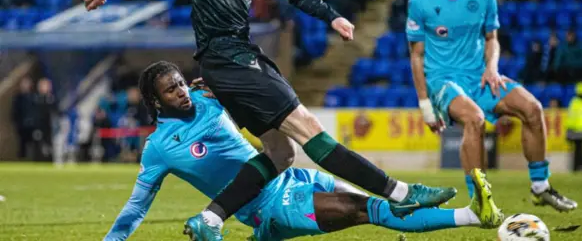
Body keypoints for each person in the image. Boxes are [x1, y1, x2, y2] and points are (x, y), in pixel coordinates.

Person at [82, 0, 455, 239]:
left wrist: (332, 17)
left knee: (282, 152)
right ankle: (402, 193)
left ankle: (210, 218)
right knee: (308, 129)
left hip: (236, 55)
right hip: (226, 56)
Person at [103, 61, 494, 241]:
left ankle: (474, 215)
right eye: (171, 90)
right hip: (267, 206)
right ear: (156, 102)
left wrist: (229, 87)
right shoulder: (158, 148)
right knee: (364, 211)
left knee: (369, 203)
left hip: (293, 175)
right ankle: (471, 217)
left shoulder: (209, 100)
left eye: (181, 83)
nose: (181, 92)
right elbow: (138, 205)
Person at [406, 0, 578, 227]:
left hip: (480, 77)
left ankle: (540, 187)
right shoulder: (419, 1)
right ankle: (480, 201)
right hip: (443, 80)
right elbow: (416, 57)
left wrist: (493, 68)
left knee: (533, 108)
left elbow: (492, 38)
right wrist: (425, 105)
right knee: (474, 120)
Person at [565, 82, 582, 173]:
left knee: (579, 151)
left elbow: (571, 118)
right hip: (580, 131)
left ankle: (578, 168)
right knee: (580, 151)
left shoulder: (574, 102)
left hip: (578, 131)